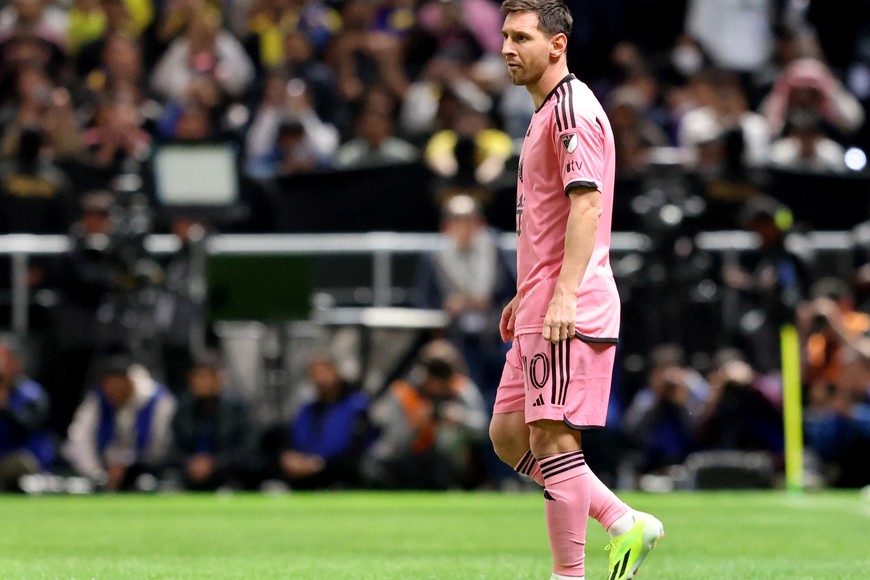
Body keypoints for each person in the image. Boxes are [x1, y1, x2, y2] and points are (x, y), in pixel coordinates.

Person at [489, 3, 663, 579]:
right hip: (541, 296)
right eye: (505, 36)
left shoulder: (569, 109)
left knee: (554, 442)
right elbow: (549, 214)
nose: (508, 48)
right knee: (509, 434)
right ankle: (621, 520)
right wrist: (528, 290)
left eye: (520, 37)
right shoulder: (546, 111)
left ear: (557, 44)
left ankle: (571, 575)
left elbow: (587, 203)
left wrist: (563, 294)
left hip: (570, 302)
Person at [63, 355, 176, 491]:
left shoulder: (159, 401)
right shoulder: (98, 399)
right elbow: (79, 439)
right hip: (103, 471)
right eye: (108, 387)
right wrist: (97, 473)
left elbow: (162, 446)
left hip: (147, 472)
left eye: (117, 385)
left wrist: (129, 468)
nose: (113, 392)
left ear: (129, 381)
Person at [264, 355, 372, 490]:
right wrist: (289, 458)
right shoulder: (307, 409)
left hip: (339, 476)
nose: (318, 378)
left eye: (323, 371)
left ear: (336, 372)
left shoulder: (356, 406)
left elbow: (356, 451)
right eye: (313, 373)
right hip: (303, 475)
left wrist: (318, 464)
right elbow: (293, 438)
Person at [167, 353, 255, 491]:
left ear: (218, 379)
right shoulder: (183, 410)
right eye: (198, 378)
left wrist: (214, 463)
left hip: (228, 474)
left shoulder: (237, 409)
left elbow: (246, 449)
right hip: (189, 473)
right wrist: (190, 462)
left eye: (207, 377)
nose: (202, 383)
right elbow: (173, 448)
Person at [0, 336, 54, 491]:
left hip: (27, 460)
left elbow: (29, 425)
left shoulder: (31, 393)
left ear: (16, 364)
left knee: (18, 464)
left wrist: (6, 407)